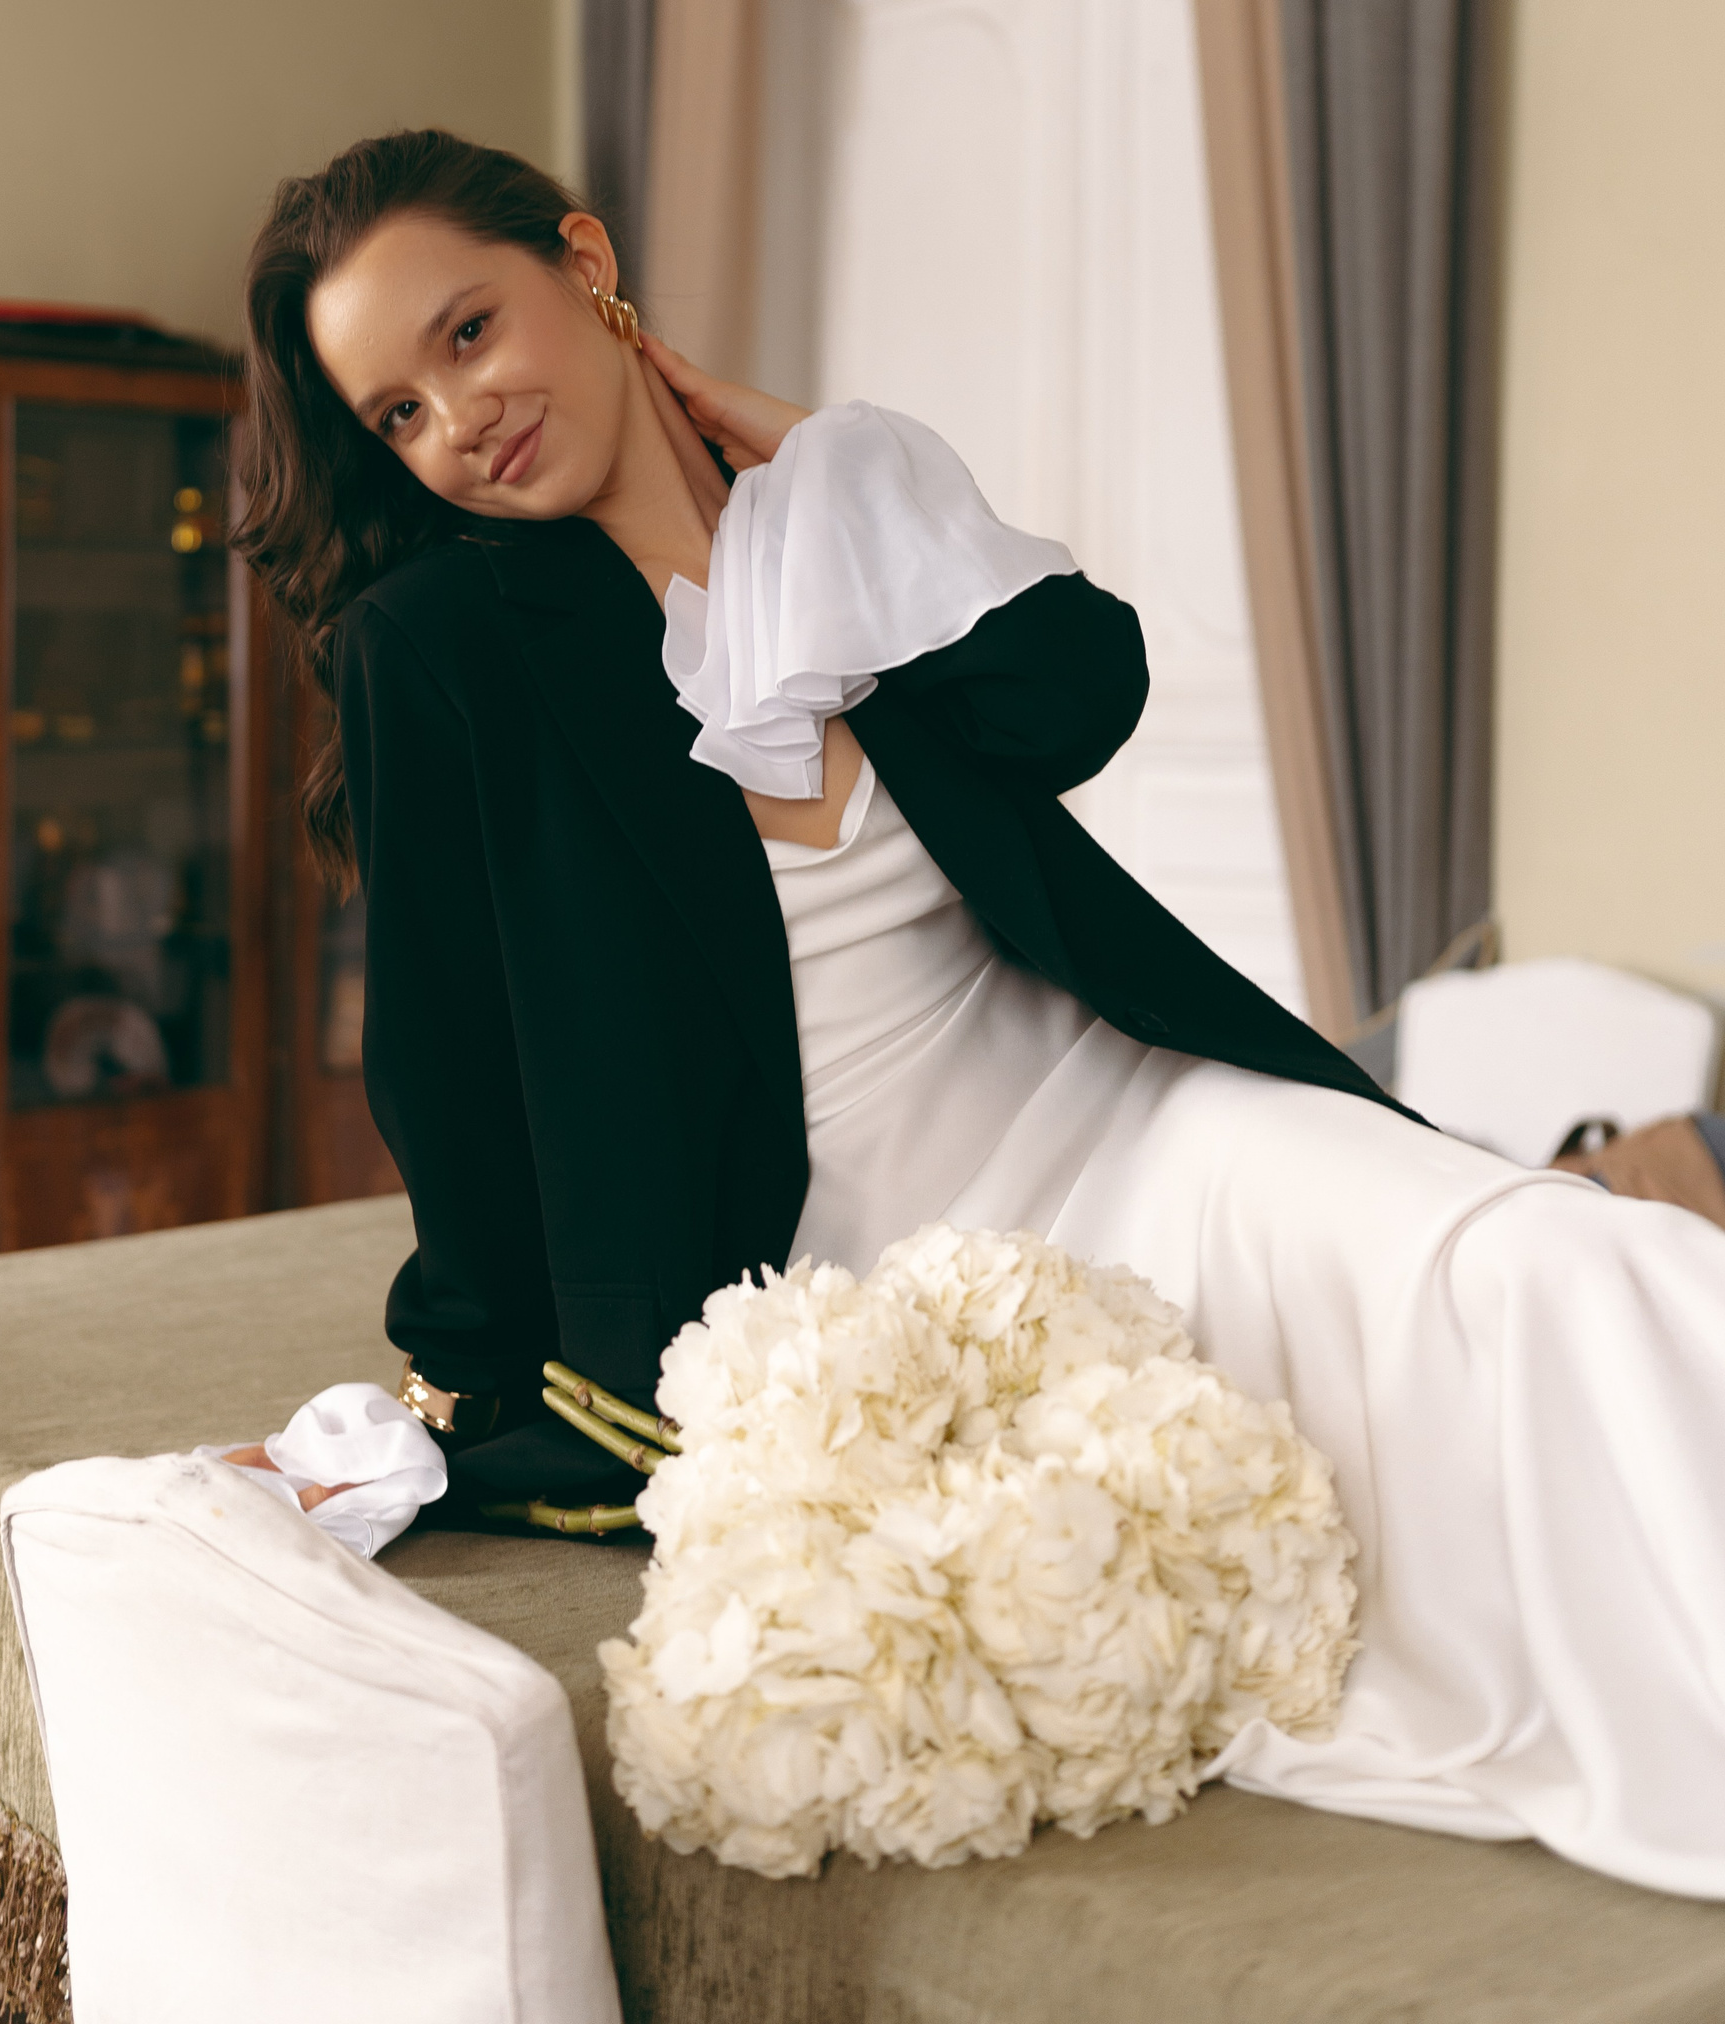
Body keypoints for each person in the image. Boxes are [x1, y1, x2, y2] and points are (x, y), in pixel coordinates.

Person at [233, 127, 1725, 1898]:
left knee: (1562, 1258)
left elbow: (1077, 701)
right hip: (897, 1273)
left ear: (584, 261)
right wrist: (455, 1388)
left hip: (1146, 1115)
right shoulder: (440, 641)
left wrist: (842, 470)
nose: (457, 418)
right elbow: (448, 1065)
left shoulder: (840, 521)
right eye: (399, 412)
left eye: (470, 331)